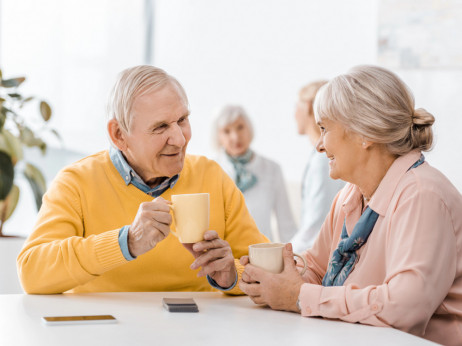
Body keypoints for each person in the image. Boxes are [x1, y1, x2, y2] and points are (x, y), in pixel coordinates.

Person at [239, 65, 462, 345]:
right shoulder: (350, 195)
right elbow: (318, 270)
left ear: (364, 133)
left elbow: (405, 307)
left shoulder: (422, 195)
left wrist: (299, 296)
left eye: (325, 129)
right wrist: (270, 277)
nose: (319, 145)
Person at [17, 65, 268, 294]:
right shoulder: (76, 182)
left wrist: (232, 276)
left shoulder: (211, 176)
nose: (180, 139)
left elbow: (266, 271)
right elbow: (32, 272)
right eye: (160, 127)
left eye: (182, 120)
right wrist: (126, 242)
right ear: (119, 135)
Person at [213, 105, 297, 242]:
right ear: (218, 136)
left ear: (249, 128)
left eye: (240, 127)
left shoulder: (272, 169)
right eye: (227, 131)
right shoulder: (212, 169)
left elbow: (286, 226)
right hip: (225, 256)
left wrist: (294, 259)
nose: (235, 137)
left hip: (263, 254)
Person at [290, 81, 345, 252]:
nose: (294, 114)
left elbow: (315, 227)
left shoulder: (323, 160)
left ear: (307, 107)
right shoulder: (321, 157)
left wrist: (283, 257)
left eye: (295, 107)